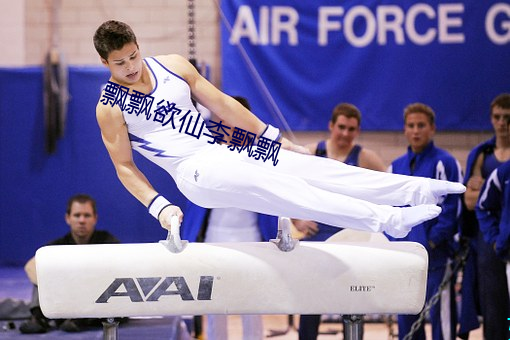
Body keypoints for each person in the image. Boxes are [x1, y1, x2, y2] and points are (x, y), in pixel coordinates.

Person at [93, 20, 464, 248]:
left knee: (313, 168)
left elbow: (223, 104)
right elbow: (124, 167)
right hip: (194, 173)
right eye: (119, 63)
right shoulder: (110, 107)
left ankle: (412, 189)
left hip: (223, 153)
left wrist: (273, 137)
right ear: (105, 64)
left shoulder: (172, 66)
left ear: (139, 46)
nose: (130, 68)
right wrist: (160, 207)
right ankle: (385, 220)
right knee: (288, 190)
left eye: (133, 56)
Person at [181, 96, 278, 340]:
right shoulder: (203, 151)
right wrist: (187, 237)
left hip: (253, 238)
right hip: (214, 237)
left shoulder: (261, 156)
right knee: (215, 304)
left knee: (253, 304)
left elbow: (274, 196)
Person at [295, 102, 386, 340]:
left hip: (351, 240)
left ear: (357, 131)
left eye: (351, 129)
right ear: (331, 126)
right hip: (317, 235)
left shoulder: (365, 158)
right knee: (310, 302)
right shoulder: (312, 152)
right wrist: (297, 219)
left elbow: (388, 192)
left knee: (353, 300)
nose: (345, 134)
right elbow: (285, 189)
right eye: (341, 127)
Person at [387, 103, 462, 340]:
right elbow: (388, 209)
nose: (416, 131)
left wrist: (432, 241)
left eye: (421, 125)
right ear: (405, 130)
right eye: (411, 126)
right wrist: (395, 243)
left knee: (442, 321)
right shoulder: (395, 167)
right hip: (405, 259)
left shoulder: (445, 163)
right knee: (407, 321)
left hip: (436, 257)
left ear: (432, 129)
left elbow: (452, 209)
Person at [19, 194, 120, 334]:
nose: (82, 220)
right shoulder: (57, 246)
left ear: (95, 218)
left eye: (87, 215)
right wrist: (60, 283)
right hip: (65, 298)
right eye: (77, 215)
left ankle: (80, 319)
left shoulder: (108, 242)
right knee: (42, 270)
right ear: (68, 218)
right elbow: (30, 266)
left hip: (96, 301)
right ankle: (38, 318)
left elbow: (118, 270)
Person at [460, 93, 510, 340]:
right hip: (489, 238)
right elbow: (469, 202)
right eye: (497, 117)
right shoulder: (482, 154)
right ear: (491, 119)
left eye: (507, 118)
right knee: (493, 304)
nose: (502, 123)